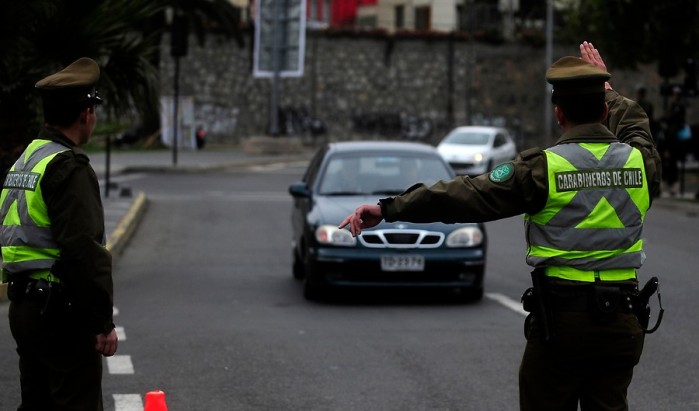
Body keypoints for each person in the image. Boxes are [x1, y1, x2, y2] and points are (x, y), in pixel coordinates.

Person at [340, 42, 662, 410]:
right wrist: (610, 91)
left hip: (564, 324)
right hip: (621, 323)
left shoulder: (543, 169)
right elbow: (638, 127)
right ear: (605, 111)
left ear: (558, 114)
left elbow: (465, 194)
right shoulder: (640, 164)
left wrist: (390, 208)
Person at [0, 57, 118, 410]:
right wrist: (102, 322)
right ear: (85, 114)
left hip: (23, 307)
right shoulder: (68, 166)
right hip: (60, 313)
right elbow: (84, 251)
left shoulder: (26, 160)